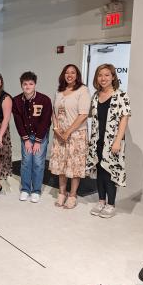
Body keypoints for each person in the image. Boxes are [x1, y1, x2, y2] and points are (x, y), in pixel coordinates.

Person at [86, 64, 131, 218]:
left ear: (113, 77)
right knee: (100, 170)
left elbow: (124, 119)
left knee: (109, 172)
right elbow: (92, 118)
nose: (103, 78)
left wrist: (118, 141)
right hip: (98, 140)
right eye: (100, 75)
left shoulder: (121, 95)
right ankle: (101, 201)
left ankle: (111, 204)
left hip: (113, 141)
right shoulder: (96, 96)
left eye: (106, 75)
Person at [49, 64, 91, 209]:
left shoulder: (83, 90)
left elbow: (84, 114)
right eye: (67, 72)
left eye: (73, 72)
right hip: (60, 134)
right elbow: (54, 113)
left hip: (76, 135)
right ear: (63, 75)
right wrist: (55, 128)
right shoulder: (59, 91)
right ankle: (62, 193)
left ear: (77, 75)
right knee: (61, 165)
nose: (69, 75)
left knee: (74, 167)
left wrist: (68, 132)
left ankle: (72, 195)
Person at [12, 71, 52, 203]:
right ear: (21, 85)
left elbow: (46, 121)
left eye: (31, 83)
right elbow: (18, 122)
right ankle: (25, 189)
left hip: (41, 136)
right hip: (26, 137)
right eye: (25, 84)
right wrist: (26, 140)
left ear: (35, 84)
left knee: (38, 163)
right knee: (26, 162)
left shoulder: (44, 100)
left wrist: (38, 141)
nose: (28, 86)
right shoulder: (16, 100)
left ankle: (36, 190)